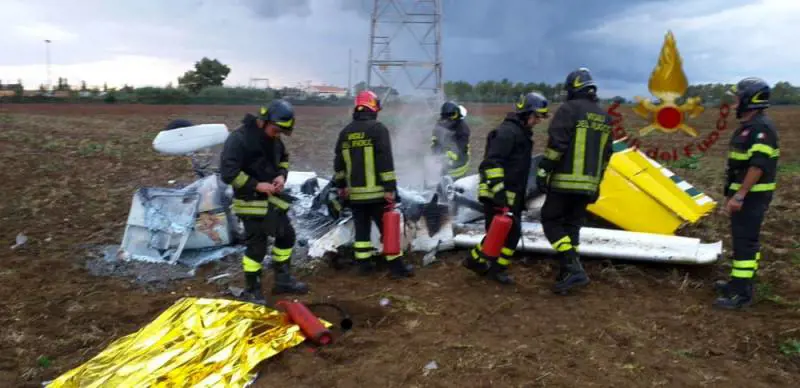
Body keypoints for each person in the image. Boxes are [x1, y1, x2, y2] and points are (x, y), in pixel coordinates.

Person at [219, 99, 309, 304]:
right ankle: (252, 289)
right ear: (263, 121)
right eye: (276, 130)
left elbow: (283, 158)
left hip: (272, 200)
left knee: (286, 237)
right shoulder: (239, 139)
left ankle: (283, 280)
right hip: (249, 202)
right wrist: (255, 185)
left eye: (281, 132)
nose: (278, 135)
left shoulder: (273, 139)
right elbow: (228, 173)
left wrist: (281, 176)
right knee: (257, 248)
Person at [536, 67, 613, 295]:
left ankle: (572, 266)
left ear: (572, 89)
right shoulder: (605, 117)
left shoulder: (568, 110)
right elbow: (607, 155)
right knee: (572, 225)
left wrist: (543, 170)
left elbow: (557, 144)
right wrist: (596, 183)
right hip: (588, 184)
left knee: (550, 219)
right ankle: (567, 271)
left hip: (564, 181)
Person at [462, 92, 550, 285]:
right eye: (536, 116)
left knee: (504, 233)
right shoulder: (507, 133)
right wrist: (500, 195)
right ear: (525, 113)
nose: (537, 121)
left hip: (510, 195)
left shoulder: (520, 133)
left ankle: (482, 263)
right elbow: (491, 164)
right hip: (498, 194)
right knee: (507, 233)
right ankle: (489, 266)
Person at [333, 90, 415, 279]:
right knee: (388, 230)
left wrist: (341, 186)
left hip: (355, 195)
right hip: (377, 193)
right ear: (373, 106)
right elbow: (385, 160)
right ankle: (396, 267)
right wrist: (389, 188)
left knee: (362, 231)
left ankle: (365, 265)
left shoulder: (345, 132)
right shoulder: (378, 129)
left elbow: (339, 163)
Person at [714, 77, 780, 310]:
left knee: (745, 243)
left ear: (749, 100)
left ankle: (741, 295)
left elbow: (757, 166)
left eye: (737, 98)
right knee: (743, 242)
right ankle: (739, 284)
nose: (734, 103)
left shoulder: (761, 129)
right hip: (745, 196)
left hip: (751, 198)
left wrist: (740, 195)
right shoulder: (750, 127)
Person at [431, 100, 471, 179]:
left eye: (452, 115)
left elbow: (460, 149)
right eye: (446, 116)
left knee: (456, 186)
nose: (450, 119)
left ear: (457, 114)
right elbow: (435, 141)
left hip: (460, 166)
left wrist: (447, 155)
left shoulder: (462, 128)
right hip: (445, 166)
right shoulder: (440, 125)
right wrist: (436, 151)